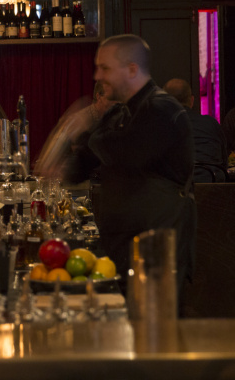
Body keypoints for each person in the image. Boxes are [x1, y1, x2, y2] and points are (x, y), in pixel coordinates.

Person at [62, 34, 196, 310]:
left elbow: (127, 153)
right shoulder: (118, 114)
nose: (97, 76)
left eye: (105, 68)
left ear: (132, 69)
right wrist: (62, 159)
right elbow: (79, 167)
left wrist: (89, 134)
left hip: (156, 248)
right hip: (120, 246)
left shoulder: (162, 109)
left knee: (156, 328)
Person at [163, 78, 227, 183]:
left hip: (177, 189)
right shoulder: (212, 123)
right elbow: (224, 162)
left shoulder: (160, 126)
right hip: (212, 187)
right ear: (192, 100)